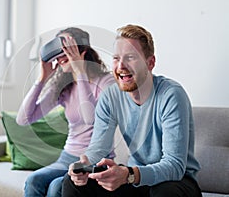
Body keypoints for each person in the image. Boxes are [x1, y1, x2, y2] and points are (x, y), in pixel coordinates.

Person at [62, 24, 202, 197]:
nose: (121, 66)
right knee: (71, 183)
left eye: (130, 57)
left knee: (164, 192)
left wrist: (129, 175)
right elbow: (99, 148)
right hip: (134, 179)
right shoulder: (110, 96)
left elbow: (174, 166)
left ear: (150, 63)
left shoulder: (171, 94)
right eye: (116, 58)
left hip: (177, 182)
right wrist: (84, 164)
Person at [16, 27, 115, 197]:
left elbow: (90, 118)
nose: (60, 57)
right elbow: (23, 119)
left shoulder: (107, 82)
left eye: (66, 51)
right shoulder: (64, 86)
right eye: (58, 51)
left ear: (82, 51)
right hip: (67, 157)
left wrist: (80, 72)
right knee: (34, 181)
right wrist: (42, 78)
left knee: (56, 187)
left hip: (95, 160)